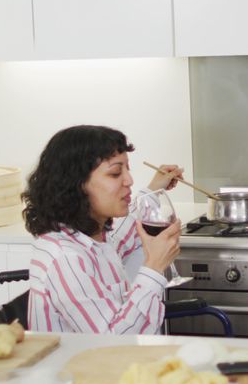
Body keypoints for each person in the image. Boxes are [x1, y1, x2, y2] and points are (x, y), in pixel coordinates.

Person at [21, 125, 183, 334]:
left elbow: (125, 231)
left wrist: (153, 189)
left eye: (127, 169)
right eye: (116, 173)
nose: (129, 180)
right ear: (76, 184)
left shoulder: (91, 234)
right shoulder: (66, 258)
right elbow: (112, 342)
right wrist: (154, 267)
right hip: (82, 365)